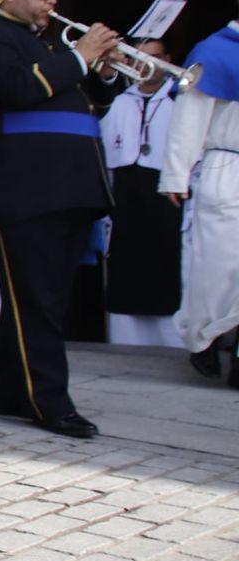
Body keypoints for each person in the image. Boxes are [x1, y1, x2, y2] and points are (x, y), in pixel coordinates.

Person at [0, 0, 123, 437]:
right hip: (23, 187)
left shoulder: (51, 45)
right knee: (38, 299)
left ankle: (6, 390)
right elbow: (19, 90)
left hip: (69, 183)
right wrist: (81, 56)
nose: (53, 0)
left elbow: (85, 99)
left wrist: (105, 71)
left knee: (45, 295)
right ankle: (49, 399)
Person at [160, 0, 239, 387]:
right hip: (228, 168)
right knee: (219, 271)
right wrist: (176, 174)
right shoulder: (216, 51)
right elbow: (189, 119)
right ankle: (201, 338)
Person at [99, 38, 182, 347]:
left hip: (166, 198)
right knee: (127, 271)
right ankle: (126, 342)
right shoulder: (118, 101)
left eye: (155, 59)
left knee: (168, 270)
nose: (146, 67)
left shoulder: (179, 98)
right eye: (139, 59)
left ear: (168, 60)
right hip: (127, 196)